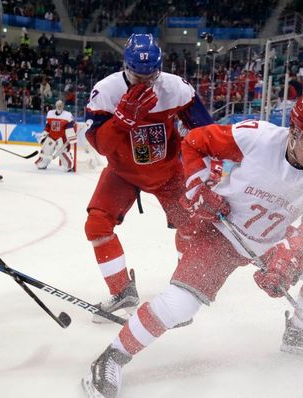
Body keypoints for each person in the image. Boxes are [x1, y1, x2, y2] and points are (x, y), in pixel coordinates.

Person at [82, 93, 303, 398]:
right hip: (221, 231)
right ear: (294, 130)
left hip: (270, 241)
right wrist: (198, 184)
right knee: (179, 305)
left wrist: (291, 256)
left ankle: (299, 332)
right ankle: (112, 357)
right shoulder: (256, 138)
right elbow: (195, 141)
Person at [83, 33, 213, 323]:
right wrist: (121, 120)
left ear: (160, 67)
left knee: (192, 227)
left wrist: (208, 167)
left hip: (168, 173)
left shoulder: (177, 88)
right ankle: (122, 292)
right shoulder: (106, 91)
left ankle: (184, 297)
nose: (143, 82)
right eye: (136, 74)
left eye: (151, 75)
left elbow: (207, 132)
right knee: (97, 225)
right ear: (124, 67)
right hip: (123, 173)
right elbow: (100, 146)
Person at [35, 99, 77, 171]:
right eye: (58, 105)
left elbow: (70, 127)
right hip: (51, 137)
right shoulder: (50, 113)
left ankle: (68, 166)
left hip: (61, 138)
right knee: (46, 150)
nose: (59, 107)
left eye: (60, 105)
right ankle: (42, 163)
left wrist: (71, 137)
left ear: (63, 106)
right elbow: (48, 126)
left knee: (62, 152)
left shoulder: (67, 115)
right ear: (56, 106)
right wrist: (44, 134)